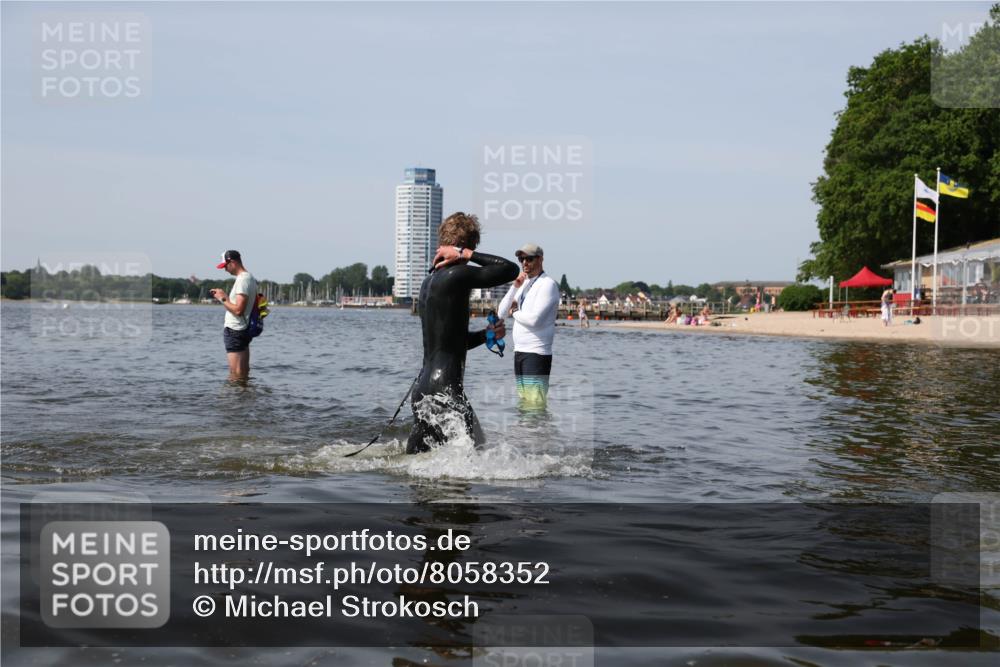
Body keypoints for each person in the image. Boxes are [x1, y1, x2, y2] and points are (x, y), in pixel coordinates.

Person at [405, 213, 518, 454]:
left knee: (417, 469)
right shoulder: (457, 275)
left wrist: (485, 335)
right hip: (445, 389)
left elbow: (452, 344)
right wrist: (465, 254)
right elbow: (510, 270)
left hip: (422, 390)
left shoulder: (429, 281)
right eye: (470, 250)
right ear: (466, 246)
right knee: (478, 452)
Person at [498, 243, 561, 409]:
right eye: (521, 259)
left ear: (540, 259)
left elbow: (535, 320)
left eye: (529, 258)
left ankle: (537, 435)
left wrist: (515, 313)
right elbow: (501, 313)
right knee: (524, 404)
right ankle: (525, 436)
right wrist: (514, 287)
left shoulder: (548, 284)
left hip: (537, 353)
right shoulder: (524, 285)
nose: (524, 262)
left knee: (535, 406)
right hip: (520, 352)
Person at [210, 250, 257, 380]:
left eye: (225, 266)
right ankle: (243, 398)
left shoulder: (242, 280)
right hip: (243, 329)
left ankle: (234, 399)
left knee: (235, 374)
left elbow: (238, 310)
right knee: (243, 373)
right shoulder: (249, 278)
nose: (225, 270)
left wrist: (222, 298)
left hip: (235, 330)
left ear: (232, 262)